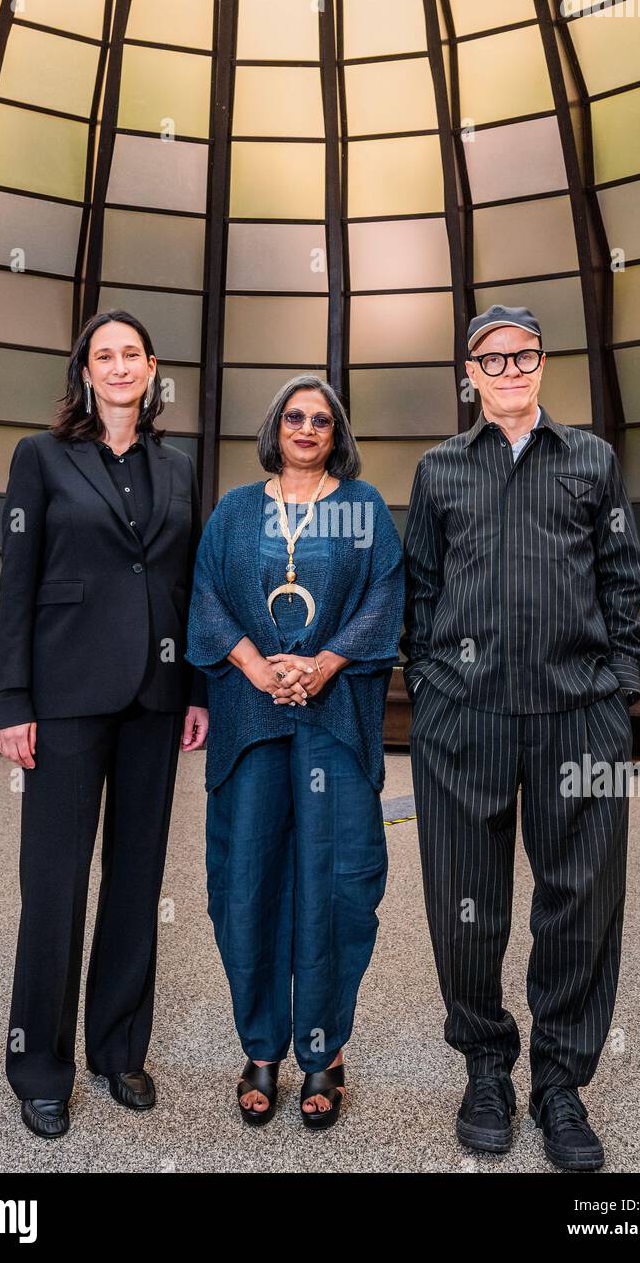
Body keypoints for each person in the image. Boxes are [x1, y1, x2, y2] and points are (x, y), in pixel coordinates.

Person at [402, 304, 640, 1171]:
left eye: (526, 356)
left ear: (543, 364)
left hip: (577, 715)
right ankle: (485, 1066)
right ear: (469, 373)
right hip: (464, 717)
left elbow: (622, 576)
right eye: (493, 359)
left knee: (579, 900)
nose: (511, 371)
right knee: (465, 906)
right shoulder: (439, 471)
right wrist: (432, 687)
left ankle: (559, 1084)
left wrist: (617, 690)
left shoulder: (592, 461)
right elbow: (421, 592)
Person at [0, 309, 209, 1139]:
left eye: (132, 354)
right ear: (84, 370)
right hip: (66, 695)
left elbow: (189, 586)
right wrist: (13, 700)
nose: (119, 367)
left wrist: (195, 690)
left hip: (156, 697)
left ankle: (118, 1050)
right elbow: (18, 584)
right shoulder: (40, 458)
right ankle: (39, 1067)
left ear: (152, 370)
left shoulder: (181, 468)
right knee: (53, 886)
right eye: (103, 355)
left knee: (136, 881)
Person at [186, 374, 404, 1130]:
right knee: (246, 882)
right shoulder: (237, 510)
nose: (306, 427)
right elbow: (206, 595)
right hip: (252, 721)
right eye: (293, 416)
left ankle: (322, 1051)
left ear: (336, 430)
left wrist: (324, 665)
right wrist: (255, 667)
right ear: (275, 427)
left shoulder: (360, 508)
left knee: (337, 885)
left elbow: (385, 597)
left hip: (334, 719)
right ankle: (261, 1048)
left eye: (320, 418)